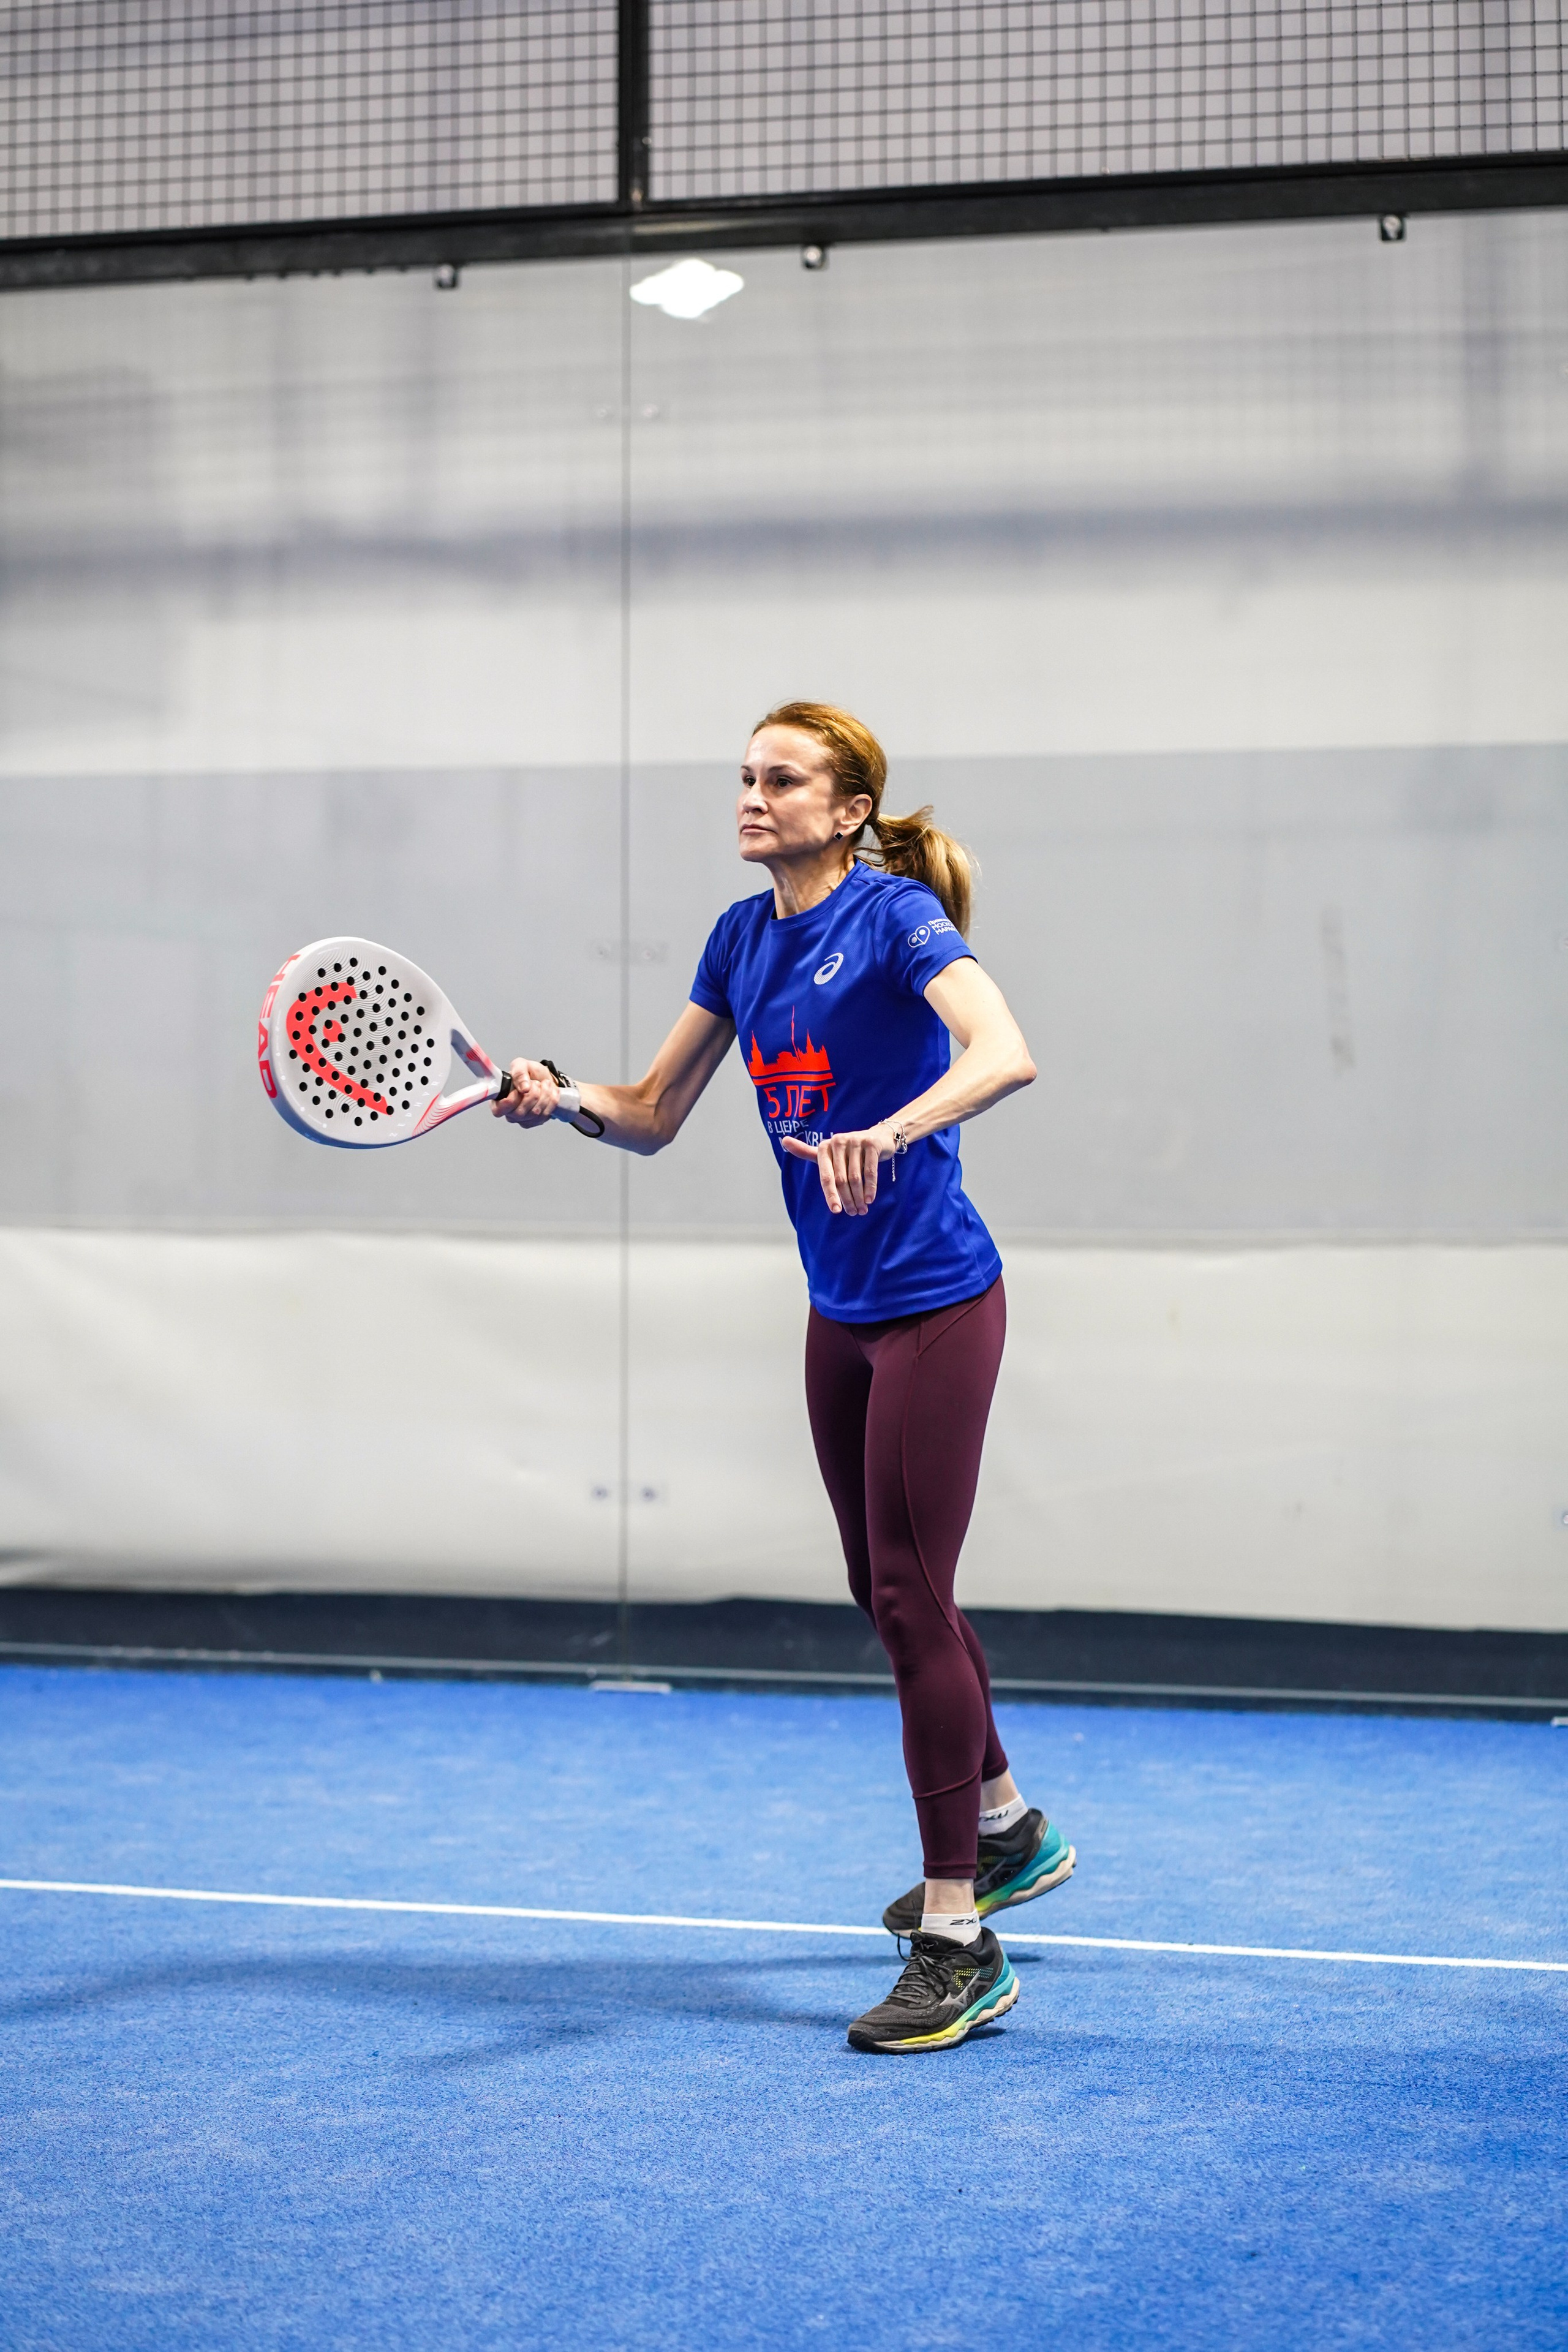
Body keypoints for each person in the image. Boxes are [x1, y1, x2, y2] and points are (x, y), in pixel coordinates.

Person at [494, 701, 1075, 2053]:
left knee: (903, 1594)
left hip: (937, 1300)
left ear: (850, 806)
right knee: (891, 1592)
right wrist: (564, 1095)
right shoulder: (738, 937)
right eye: (745, 777)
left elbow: (1004, 1052)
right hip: (840, 1307)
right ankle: (1006, 1827)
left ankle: (958, 1941)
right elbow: (649, 1115)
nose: (753, 797)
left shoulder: (890, 922)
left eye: (784, 778)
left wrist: (893, 1123)